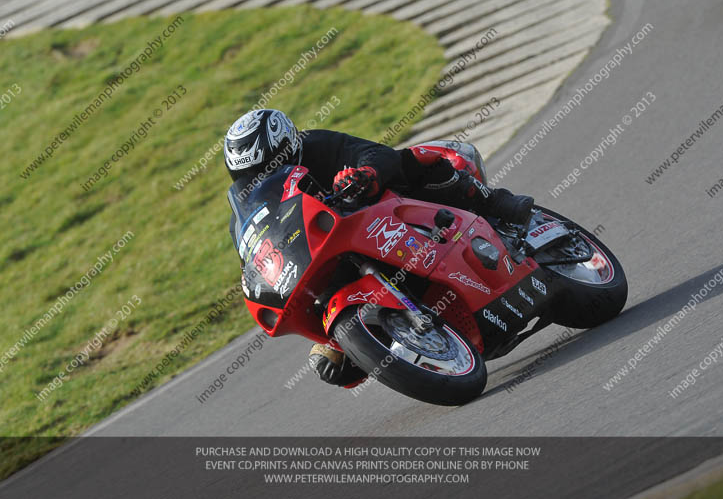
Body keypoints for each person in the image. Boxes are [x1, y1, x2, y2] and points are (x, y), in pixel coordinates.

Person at [223, 109, 534, 387]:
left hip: (376, 212)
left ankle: (496, 204)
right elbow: (254, 257)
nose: (259, 179)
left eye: (265, 168)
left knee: (418, 160)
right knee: (331, 368)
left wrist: (364, 174)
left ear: (287, 149)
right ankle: (393, 337)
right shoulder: (245, 220)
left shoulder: (317, 146)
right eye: (249, 175)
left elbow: (375, 154)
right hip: (330, 263)